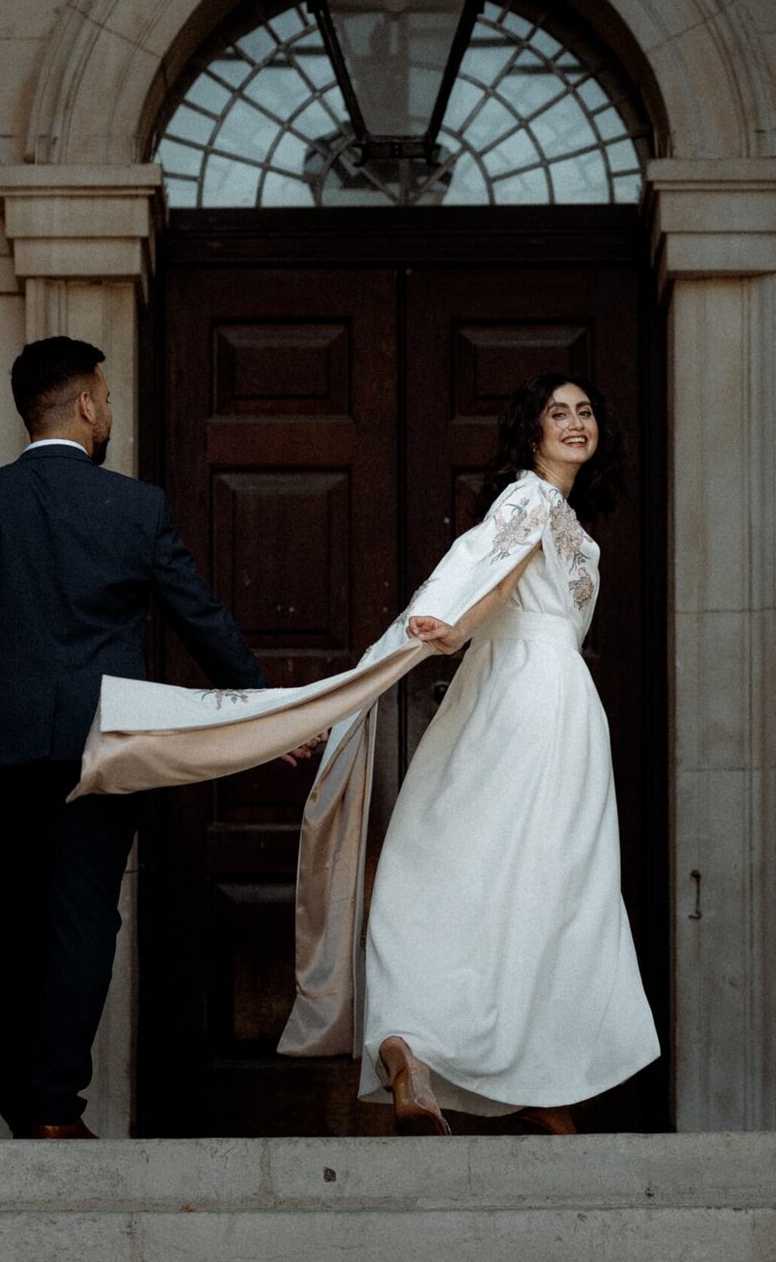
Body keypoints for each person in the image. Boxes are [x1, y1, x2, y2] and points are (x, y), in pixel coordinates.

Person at [75, 372, 659, 1135]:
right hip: (533, 698)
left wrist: (463, 627)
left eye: (585, 411)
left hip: (537, 704)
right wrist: (455, 627)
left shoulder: (571, 521)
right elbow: (499, 572)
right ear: (533, 431)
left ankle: (440, 1050)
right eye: (558, 413)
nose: (575, 422)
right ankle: (476, 1064)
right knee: (532, 882)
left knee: (501, 876)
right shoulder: (532, 499)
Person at [0, 335, 264, 1140]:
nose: (109, 411)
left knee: (13, 925)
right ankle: (56, 1108)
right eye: (108, 399)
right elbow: (203, 619)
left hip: (3, 749)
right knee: (84, 918)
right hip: (101, 749)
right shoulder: (135, 507)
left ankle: (26, 1113)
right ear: (87, 404)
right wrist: (262, 709)